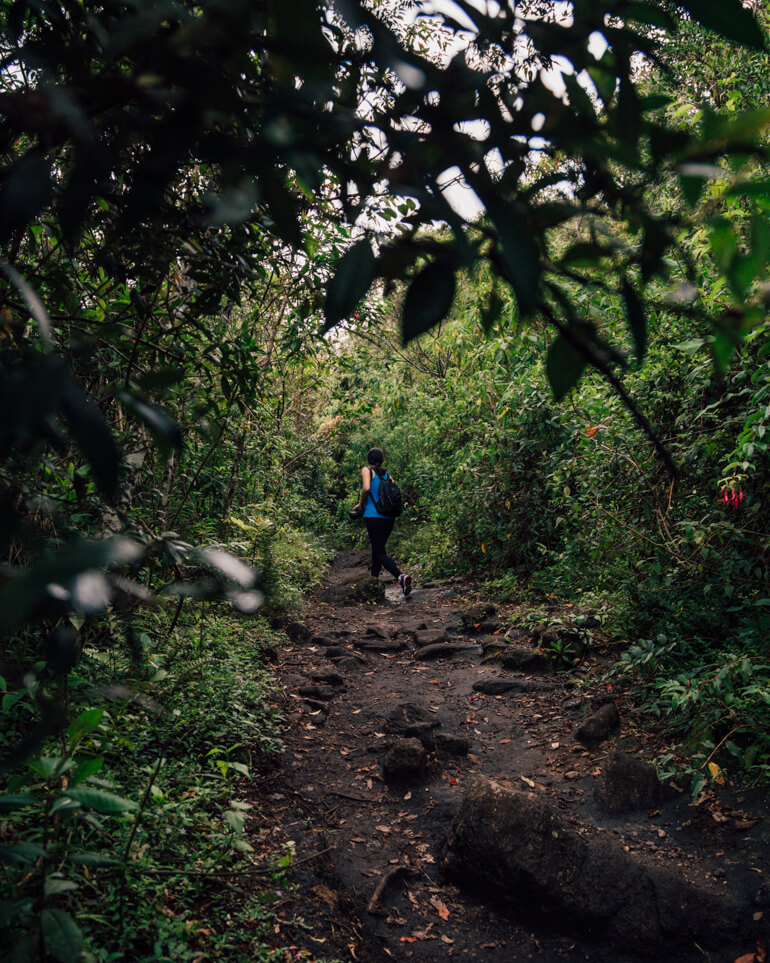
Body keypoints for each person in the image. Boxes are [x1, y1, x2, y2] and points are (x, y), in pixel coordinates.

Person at [351, 447, 412, 596]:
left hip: (374, 516)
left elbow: (366, 488)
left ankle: (400, 576)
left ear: (368, 459)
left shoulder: (367, 470)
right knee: (377, 550)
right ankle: (374, 582)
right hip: (388, 518)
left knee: (379, 551)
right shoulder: (386, 474)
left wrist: (361, 503)